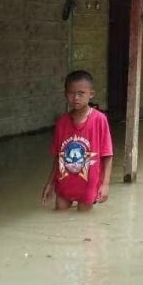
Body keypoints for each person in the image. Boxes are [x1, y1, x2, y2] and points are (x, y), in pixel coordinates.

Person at [41, 70, 113, 211]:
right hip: (64, 182)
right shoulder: (62, 122)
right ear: (65, 94)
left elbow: (107, 154)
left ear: (91, 94)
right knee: (60, 216)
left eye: (81, 93)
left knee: (84, 223)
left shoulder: (99, 120)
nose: (76, 98)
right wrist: (50, 183)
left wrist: (105, 185)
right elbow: (58, 156)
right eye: (71, 93)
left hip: (88, 184)